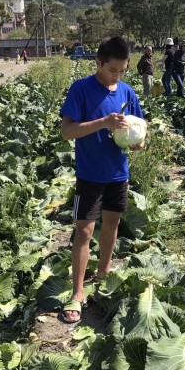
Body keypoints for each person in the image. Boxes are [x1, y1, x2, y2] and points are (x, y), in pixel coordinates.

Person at [59, 36, 145, 323]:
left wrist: (136, 143)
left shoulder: (128, 92)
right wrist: (104, 123)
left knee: (112, 223)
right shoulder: (81, 89)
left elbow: (137, 129)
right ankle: (77, 292)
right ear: (98, 63)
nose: (117, 76)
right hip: (89, 175)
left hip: (118, 172)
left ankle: (104, 271)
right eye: (112, 70)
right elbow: (68, 132)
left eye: (123, 71)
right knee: (83, 231)